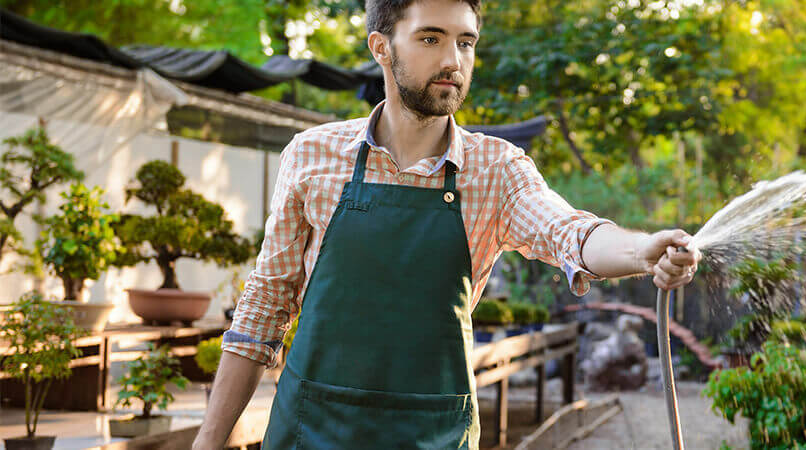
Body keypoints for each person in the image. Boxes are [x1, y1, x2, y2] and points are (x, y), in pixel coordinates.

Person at [191, 0, 701, 448]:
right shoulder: (312, 155)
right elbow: (264, 307)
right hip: (311, 428)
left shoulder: (496, 170)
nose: (452, 61)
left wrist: (642, 252)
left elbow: (566, 230)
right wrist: (209, 442)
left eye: (466, 42)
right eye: (430, 38)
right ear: (381, 47)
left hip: (434, 434)